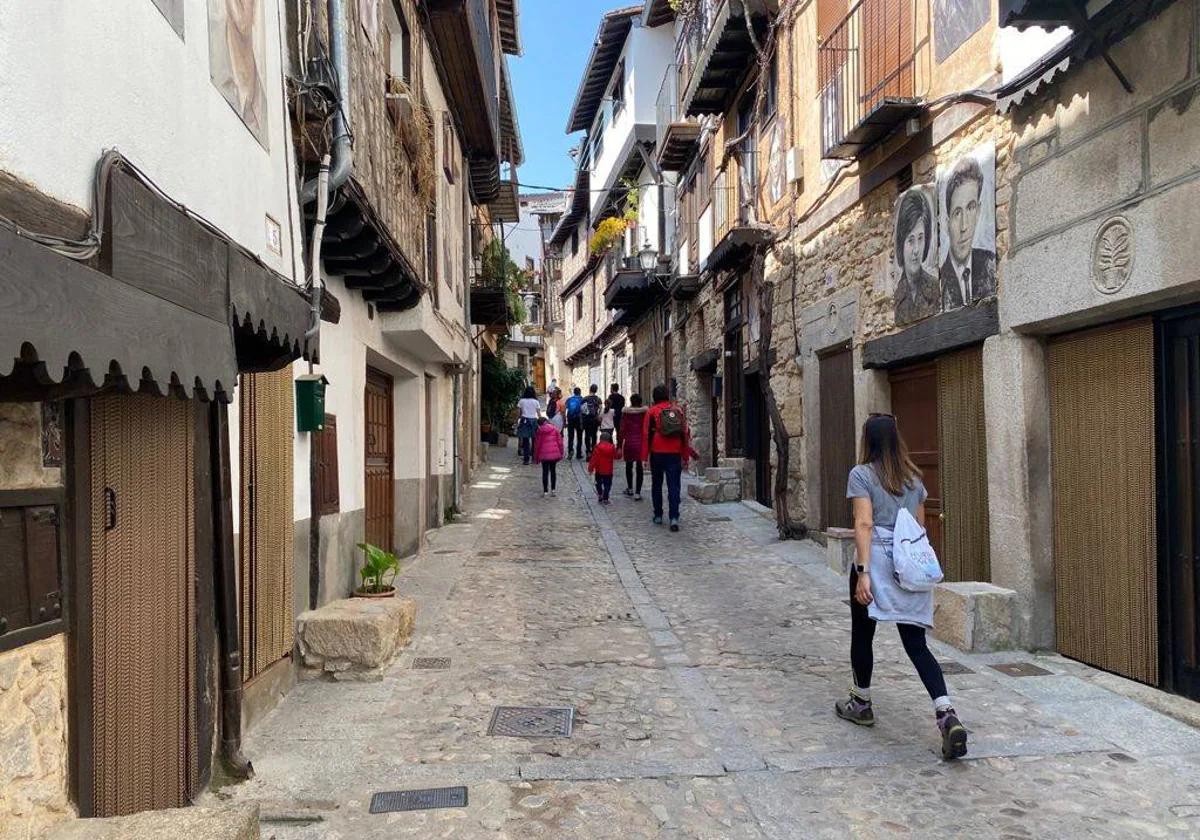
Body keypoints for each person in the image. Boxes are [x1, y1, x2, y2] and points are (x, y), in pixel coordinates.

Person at [836, 414, 968, 761]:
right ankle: (946, 712)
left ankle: (861, 701)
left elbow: (863, 523)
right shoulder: (914, 480)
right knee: (916, 643)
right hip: (910, 565)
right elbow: (919, 530)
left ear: (868, 441)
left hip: (877, 561)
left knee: (863, 635)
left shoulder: (861, 475)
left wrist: (863, 572)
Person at [939, 156, 996, 311]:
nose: (964, 226)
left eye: (970, 208)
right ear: (946, 222)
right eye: (957, 213)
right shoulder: (939, 284)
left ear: (978, 212)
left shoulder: (990, 264)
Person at [643, 384, 690, 532]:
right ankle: (674, 517)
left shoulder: (651, 412)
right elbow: (684, 434)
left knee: (657, 484)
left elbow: (646, 435)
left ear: (654, 397)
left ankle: (658, 514)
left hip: (657, 451)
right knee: (674, 485)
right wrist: (685, 456)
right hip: (674, 452)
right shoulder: (677, 411)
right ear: (667, 396)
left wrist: (644, 457)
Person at [892, 190, 940, 326]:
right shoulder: (897, 296)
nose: (916, 250)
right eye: (911, 240)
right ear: (902, 243)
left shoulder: (934, 287)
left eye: (920, 238)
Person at [617, 393, 647, 500]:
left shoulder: (626, 414)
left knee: (629, 466)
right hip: (640, 443)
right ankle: (638, 492)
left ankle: (630, 488)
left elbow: (621, 430)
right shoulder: (644, 413)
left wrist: (619, 445)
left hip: (629, 443)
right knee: (639, 468)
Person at [532, 417, 565, 498]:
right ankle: (553, 490)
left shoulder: (540, 431)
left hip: (544, 455)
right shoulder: (555, 429)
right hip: (554, 454)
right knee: (553, 471)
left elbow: (537, 445)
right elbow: (560, 442)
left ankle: (545, 491)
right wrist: (561, 453)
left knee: (545, 472)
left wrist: (536, 457)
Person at [588, 430, 617, 504]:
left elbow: (593, 459)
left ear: (600, 439)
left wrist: (590, 469)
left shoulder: (597, 447)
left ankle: (600, 494)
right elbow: (616, 456)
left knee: (598, 483)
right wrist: (620, 453)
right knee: (608, 485)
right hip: (608, 471)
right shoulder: (612, 448)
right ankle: (606, 498)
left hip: (599, 471)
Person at [515, 386, 540, 466]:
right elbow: (539, 414)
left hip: (524, 420)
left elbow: (518, 413)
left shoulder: (521, 401)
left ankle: (526, 459)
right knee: (534, 440)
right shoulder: (536, 401)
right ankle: (533, 458)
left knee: (525, 441)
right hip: (533, 421)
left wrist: (516, 421)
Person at [581, 384, 603, 458]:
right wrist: (598, 416)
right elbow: (601, 409)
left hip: (587, 420)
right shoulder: (598, 399)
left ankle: (588, 452)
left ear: (589, 389)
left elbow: (581, 410)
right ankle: (593, 451)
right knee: (594, 435)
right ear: (596, 390)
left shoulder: (585, 399)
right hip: (594, 419)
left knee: (587, 435)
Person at [565, 387, 585, 459]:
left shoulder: (569, 399)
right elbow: (584, 410)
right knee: (579, 437)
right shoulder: (582, 399)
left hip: (570, 419)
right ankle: (578, 453)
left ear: (574, 392)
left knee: (570, 436)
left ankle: (570, 451)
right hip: (579, 419)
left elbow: (566, 408)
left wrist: (565, 420)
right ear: (580, 392)